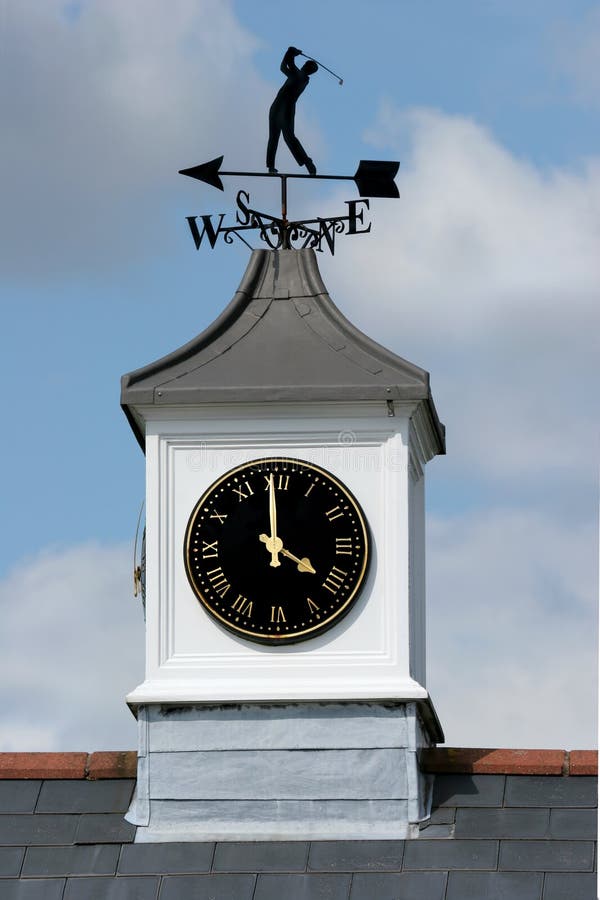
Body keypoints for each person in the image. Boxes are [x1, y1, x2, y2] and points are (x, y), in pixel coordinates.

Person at [266, 47, 318, 175]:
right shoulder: (296, 75)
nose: (304, 65)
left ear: (309, 70)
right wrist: (289, 53)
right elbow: (283, 67)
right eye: (305, 64)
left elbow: (290, 64)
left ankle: (306, 161)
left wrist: (291, 53)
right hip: (277, 106)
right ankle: (271, 166)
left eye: (307, 65)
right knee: (273, 137)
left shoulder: (302, 78)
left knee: (289, 138)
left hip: (286, 110)